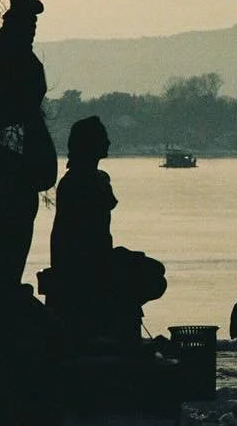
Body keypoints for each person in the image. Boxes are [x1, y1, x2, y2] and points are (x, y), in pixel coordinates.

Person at [48, 115, 167, 349]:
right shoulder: (82, 181)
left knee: (152, 271)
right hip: (82, 264)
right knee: (150, 274)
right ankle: (116, 332)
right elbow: (83, 238)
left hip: (93, 258)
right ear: (89, 145)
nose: (109, 143)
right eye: (103, 138)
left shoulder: (90, 179)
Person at [0, 0, 57, 299]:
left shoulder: (20, 63)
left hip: (11, 157)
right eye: (28, 25)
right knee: (15, 207)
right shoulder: (2, 64)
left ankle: (6, 284)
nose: (32, 31)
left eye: (33, 26)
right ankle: (3, 287)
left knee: (19, 205)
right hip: (1, 152)